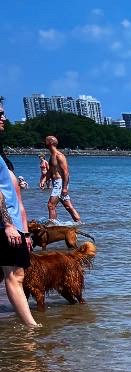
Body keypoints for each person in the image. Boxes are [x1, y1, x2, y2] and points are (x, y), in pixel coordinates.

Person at [0, 107, 39, 328]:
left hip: (14, 225)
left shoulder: (2, 154)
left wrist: (24, 231)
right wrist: (8, 224)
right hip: (5, 224)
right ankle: (31, 329)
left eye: (4, 112)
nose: (4, 117)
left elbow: (15, 194)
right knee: (15, 276)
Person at [44, 136, 81, 225]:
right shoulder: (52, 156)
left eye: (46, 140)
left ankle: (52, 227)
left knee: (51, 205)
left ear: (51, 142)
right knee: (68, 206)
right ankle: (79, 223)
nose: (44, 141)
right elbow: (50, 171)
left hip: (60, 183)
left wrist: (64, 188)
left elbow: (66, 173)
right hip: (57, 183)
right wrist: (44, 180)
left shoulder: (59, 156)